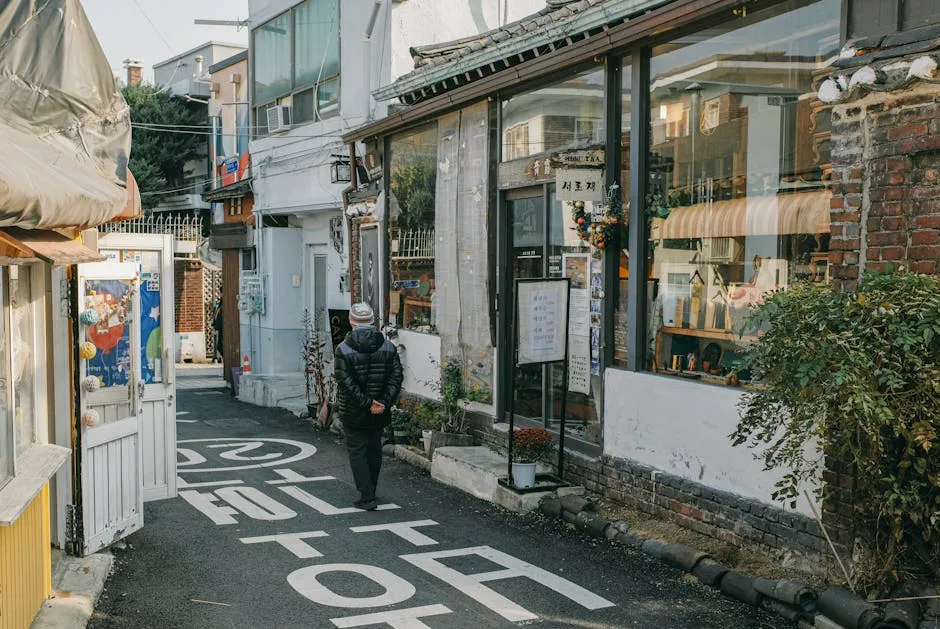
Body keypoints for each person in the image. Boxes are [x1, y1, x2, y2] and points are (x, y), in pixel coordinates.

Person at [334, 302, 403, 511]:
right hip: (380, 410)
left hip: (354, 410)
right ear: (373, 321)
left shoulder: (343, 349)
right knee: (374, 449)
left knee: (358, 451)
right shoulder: (388, 347)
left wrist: (366, 402)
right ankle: (371, 489)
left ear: (351, 321)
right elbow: (396, 377)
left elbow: (345, 383)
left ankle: (367, 496)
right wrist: (382, 401)